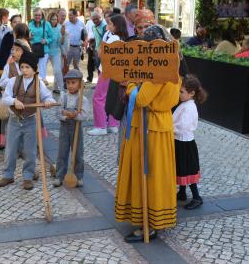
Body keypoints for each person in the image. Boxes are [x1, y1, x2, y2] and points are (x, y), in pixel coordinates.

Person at [115, 25, 180, 243]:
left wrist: (131, 83)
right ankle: (151, 219)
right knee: (154, 173)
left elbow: (141, 99)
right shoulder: (171, 64)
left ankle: (149, 223)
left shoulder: (159, 71)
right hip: (155, 124)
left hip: (150, 127)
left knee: (150, 174)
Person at [0, 51, 55, 190]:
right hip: (14, 120)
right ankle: (8, 175)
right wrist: (14, 101)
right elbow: (5, 97)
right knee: (10, 149)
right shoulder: (13, 81)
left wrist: (48, 102)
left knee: (30, 151)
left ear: (34, 69)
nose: (24, 70)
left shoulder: (39, 83)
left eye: (27, 67)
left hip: (30, 120)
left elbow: (48, 97)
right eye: (22, 67)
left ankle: (28, 176)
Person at [88, 14, 128, 136]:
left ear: (116, 26)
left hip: (107, 71)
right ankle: (113, 124)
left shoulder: (113, 38)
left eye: (110, 23)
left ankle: (100, 126)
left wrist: (101, 48)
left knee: (99, 97)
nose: (108, 25)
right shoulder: (121, 38)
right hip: (116, 71)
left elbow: (101, 54)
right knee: (113, 96)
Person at [175, 75, 207, 210]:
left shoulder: (189, 107)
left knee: (188, 170)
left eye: (181, 91)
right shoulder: (185, 104)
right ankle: (182, 192)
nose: (179, 94)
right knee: (181, 168)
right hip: (180, 141)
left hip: (185, 143)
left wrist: (168, 128)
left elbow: (183, 126)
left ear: (192, 93)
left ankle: (196, 197)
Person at [53, 69, 90, 188]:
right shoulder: (63, 97)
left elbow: (84, 115)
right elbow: (58, 113)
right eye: (68, 83)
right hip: (64, 127)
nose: (70, 85)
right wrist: (65, 115)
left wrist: (75, 116)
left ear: (80, 84)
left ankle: (78, 176)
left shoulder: (82, 99)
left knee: (78, 153)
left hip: (76, 128)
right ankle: (59, 175)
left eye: (73, 82)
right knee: (62, 152)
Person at [29, 8, 53, 85]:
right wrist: (29, 37)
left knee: (42, 70)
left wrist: (46, 41)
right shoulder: (30, 24)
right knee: (33, 69)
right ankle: (34, 86)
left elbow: (52, 37)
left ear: (42, 15)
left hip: (44, 50)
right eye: (36, 15)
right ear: (33, 16)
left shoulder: (47, 24)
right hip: (33, 50)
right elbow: (27, 36)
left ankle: (42, 87)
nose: (37, 17)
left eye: (39, 15)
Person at [85, 7, 104, 83]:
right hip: (95, 48)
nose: (95, 21)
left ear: (100, 17)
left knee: (102, 67)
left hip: (103, 50)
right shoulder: (93, 26)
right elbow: (96, 37)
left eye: (97, 18)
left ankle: (102, 83)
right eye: (94, 19)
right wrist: (91, 44)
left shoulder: (104, 26)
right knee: (97, 65)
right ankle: (98, 82)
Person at [47, 12, 64, 94]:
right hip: (46, 51)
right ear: (49, 19)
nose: (54, 21)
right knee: (40, 71)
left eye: (56, 19)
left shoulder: (58, 28)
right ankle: (37, 89)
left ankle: (61, 89)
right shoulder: (46, 27)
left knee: (57, 70)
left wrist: (63, 35)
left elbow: (60, 43)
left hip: (56, 51)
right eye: (53, 19)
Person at [57, 9, 70, 77]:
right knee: (59, 71)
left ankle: (61, 85)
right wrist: (63, 52)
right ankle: (58, 86)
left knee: (63, 70)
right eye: (62, 15)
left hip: (65, 52)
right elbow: (59, 42)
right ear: (58, 16)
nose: (63, 17)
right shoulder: (56, 27)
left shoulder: (64, 24)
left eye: (65, 16)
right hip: (60, 53)